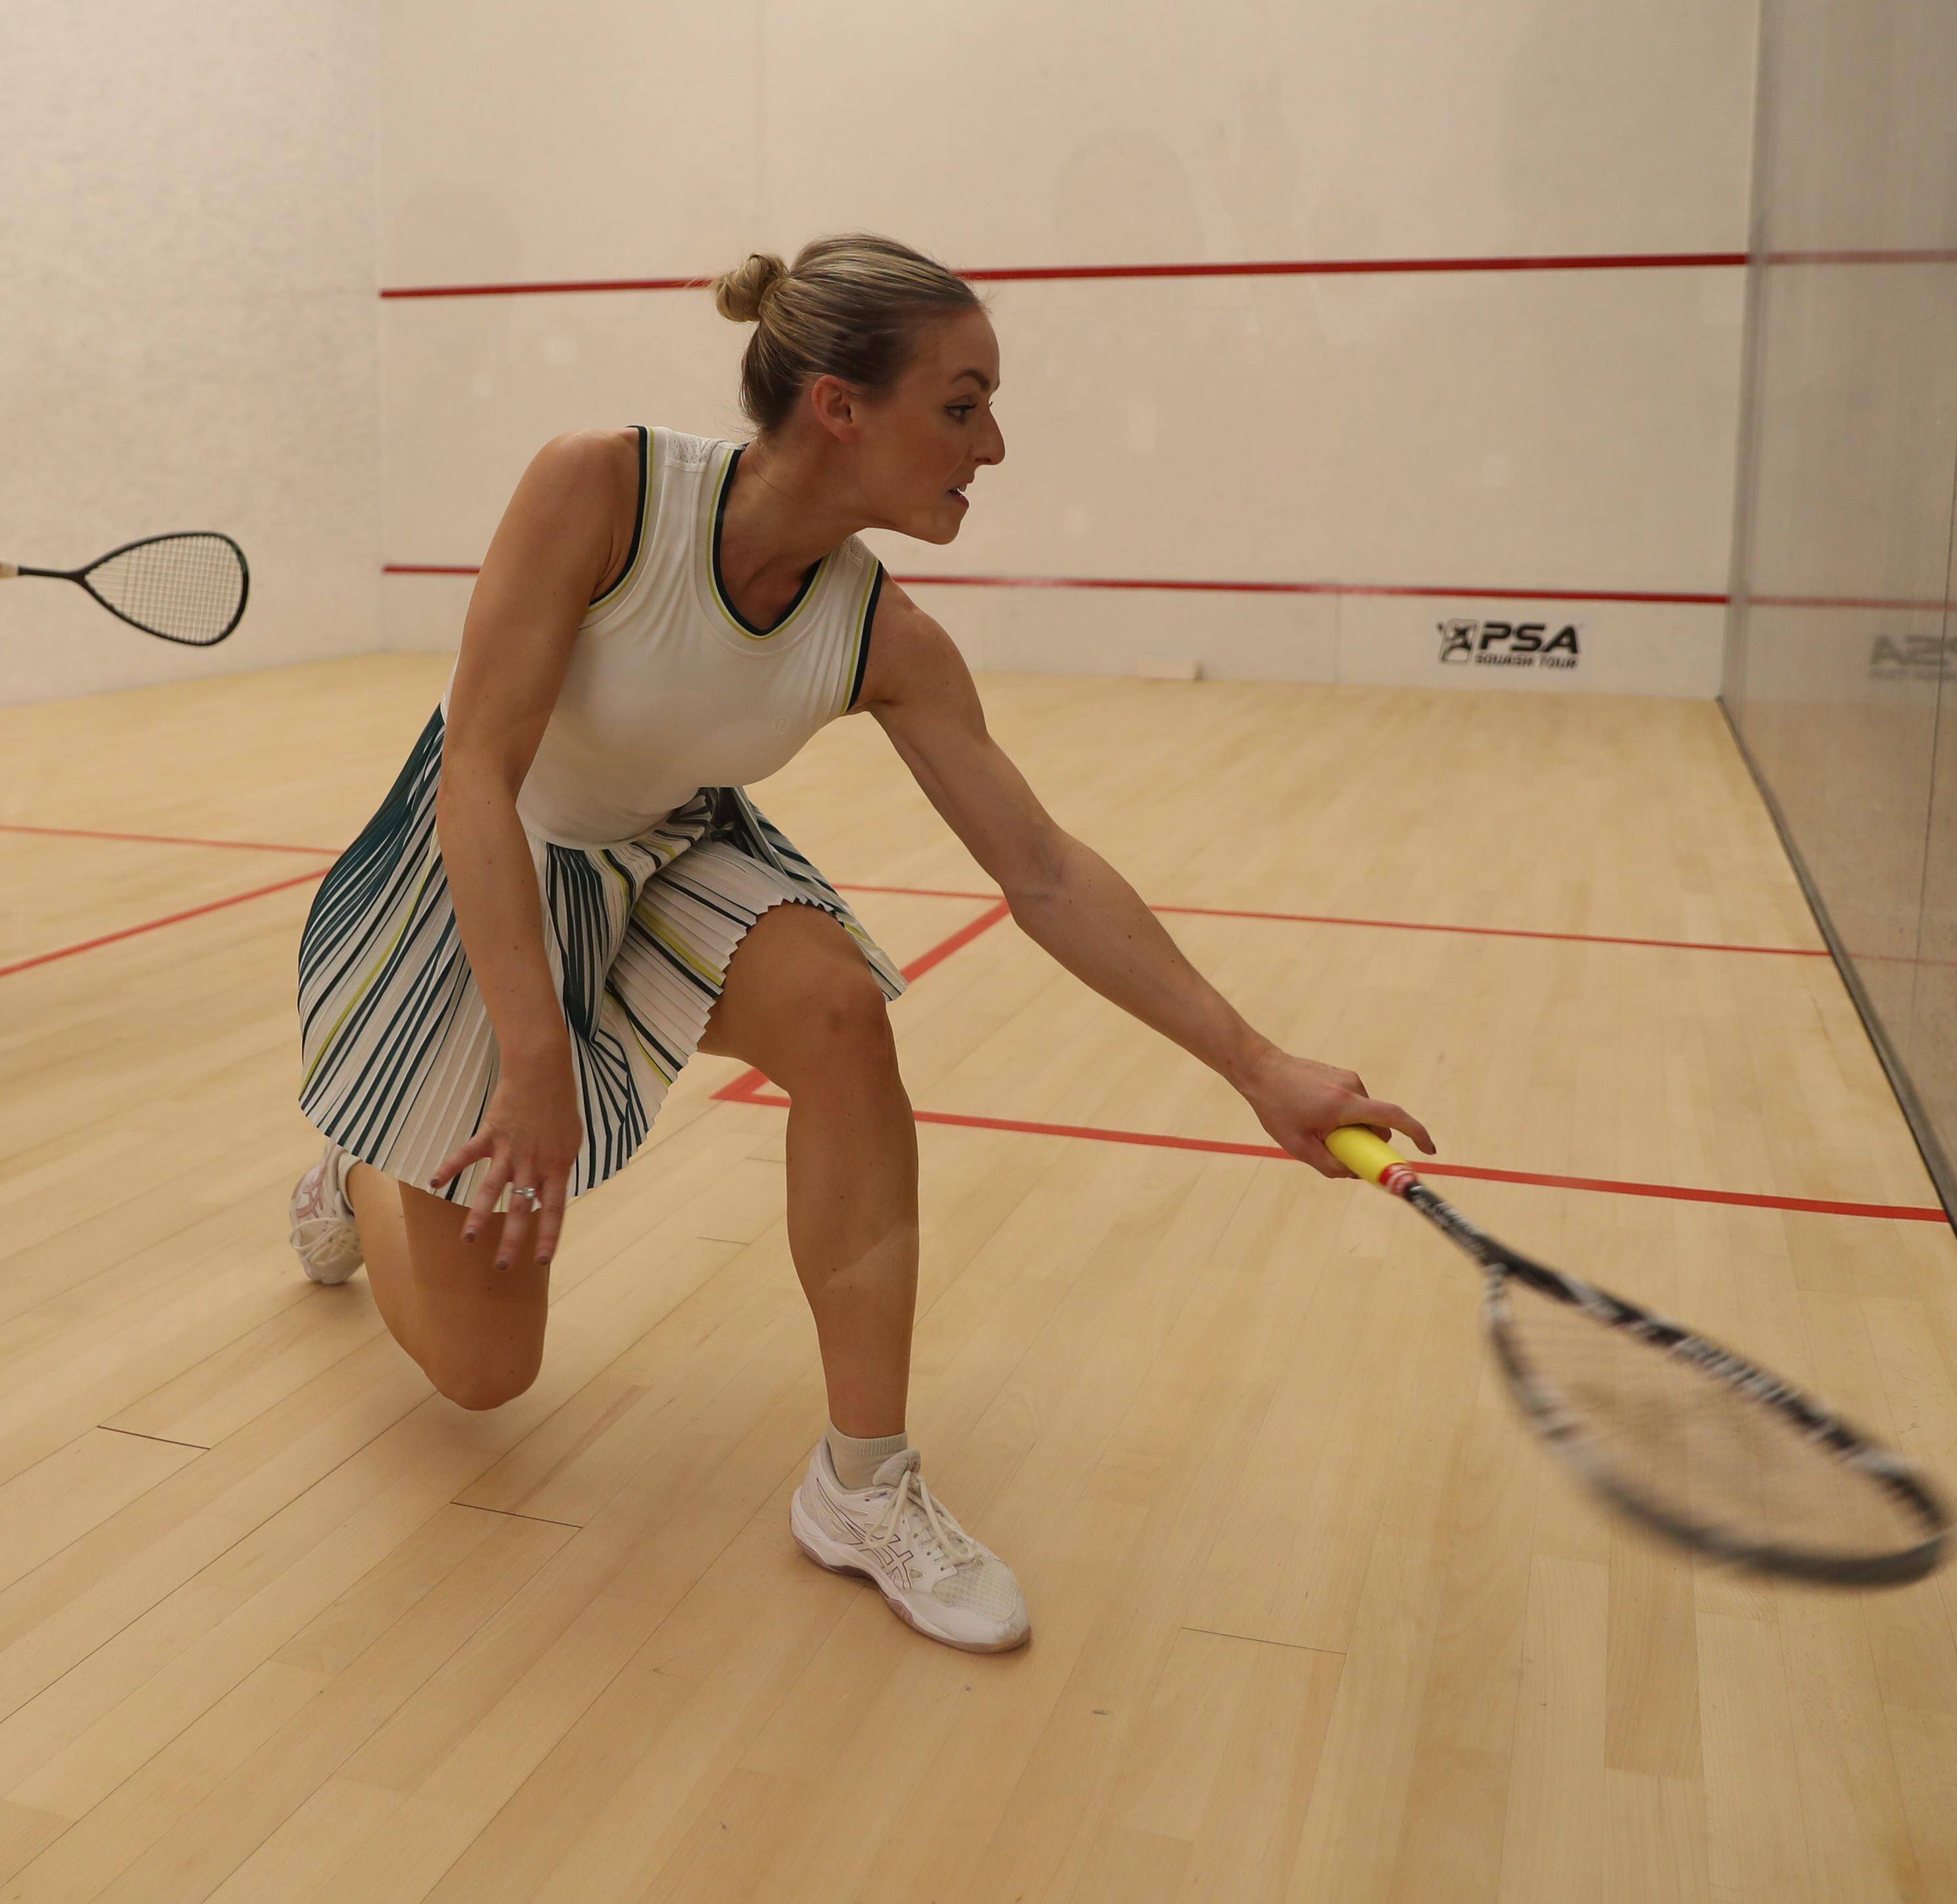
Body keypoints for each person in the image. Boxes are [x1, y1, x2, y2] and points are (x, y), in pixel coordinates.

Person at [287, 234, 1435, 1652]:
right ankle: (359, 1168)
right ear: (839, 405)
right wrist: (534, 1061)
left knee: (839, 1008)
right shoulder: (602, 485)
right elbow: (478, 769)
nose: (993, 442)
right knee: (478, 1376)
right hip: (488, 852)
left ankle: (862, 1480)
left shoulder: (880, 633)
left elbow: (1047, 872)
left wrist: (1260, 1065)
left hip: (668, 849)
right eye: (961, 404)